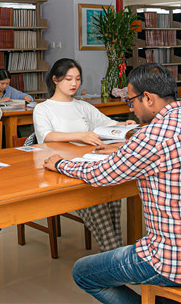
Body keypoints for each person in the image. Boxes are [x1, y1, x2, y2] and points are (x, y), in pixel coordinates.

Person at [42, 63, 181, 303]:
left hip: (171, 260)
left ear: (148, 98)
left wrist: (60, 164)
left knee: (83, 272)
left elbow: (102, 174)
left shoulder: (152, 136)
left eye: (131, 102)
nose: (132, 110)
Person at [32, 58, 137, 252]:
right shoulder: (43, 108)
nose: (74, 84)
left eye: (77, 79)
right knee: (94, 198)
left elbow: (106, 123)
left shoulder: (82, 106)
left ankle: (114, 252)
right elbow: (46, 137)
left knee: (111, 195)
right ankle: (114, 253)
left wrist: (124, 125)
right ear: (55, 79)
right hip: (59, 170)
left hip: (86, 165)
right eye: (68, 79)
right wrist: (81, 135)